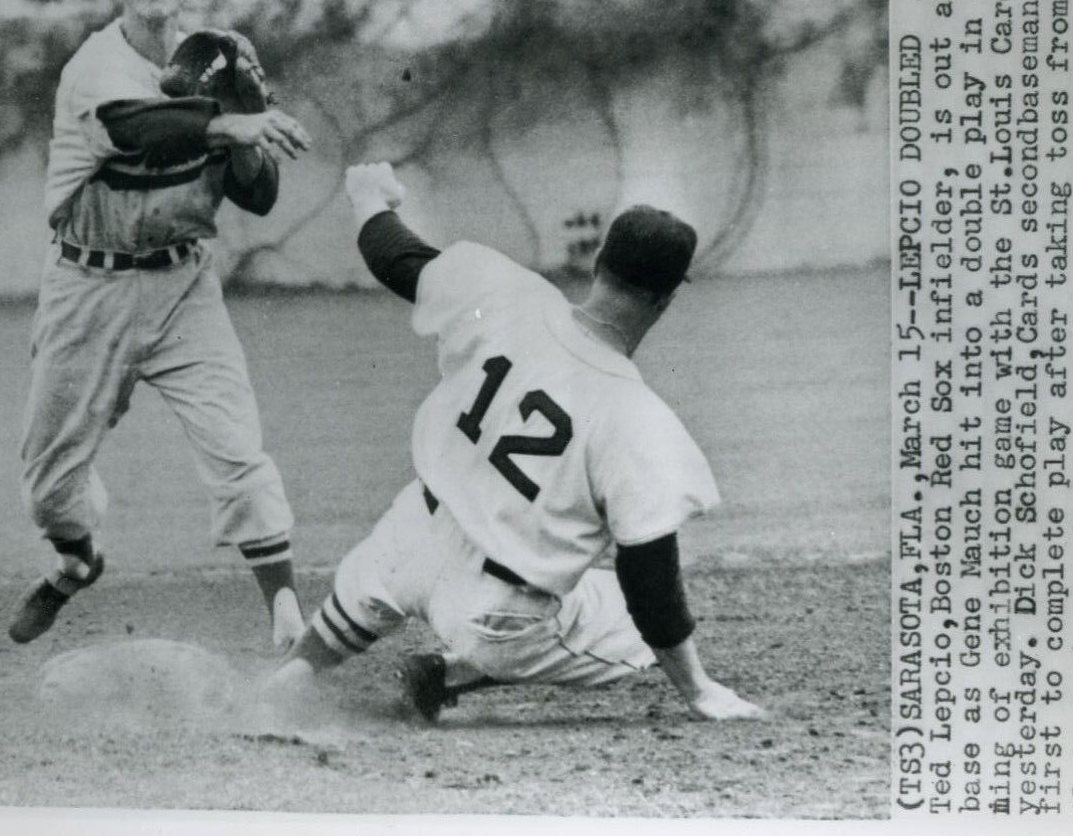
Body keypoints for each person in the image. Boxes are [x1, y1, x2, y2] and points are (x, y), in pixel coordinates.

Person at [268, 161, 763, 723]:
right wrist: (698, 690)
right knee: (633, 626)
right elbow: (650, 584)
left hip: (403, 541)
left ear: (599, 263)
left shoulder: (507, 295)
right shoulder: (638, 418)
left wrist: (368, 198)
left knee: (368, 591)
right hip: (493, 615)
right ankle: (454, 671)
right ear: (666, 300)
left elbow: (397, 258)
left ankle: (294, 673)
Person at [9, 0, 313, 650]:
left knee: (237, 446)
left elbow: (260, 194)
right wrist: (226, 121)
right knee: (50, 490)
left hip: (183, 288)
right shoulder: (94, 67)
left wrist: (247, 136)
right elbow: (134, 131)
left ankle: (286, 614)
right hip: (89, 287)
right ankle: (78, 563)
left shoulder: (215, 58)